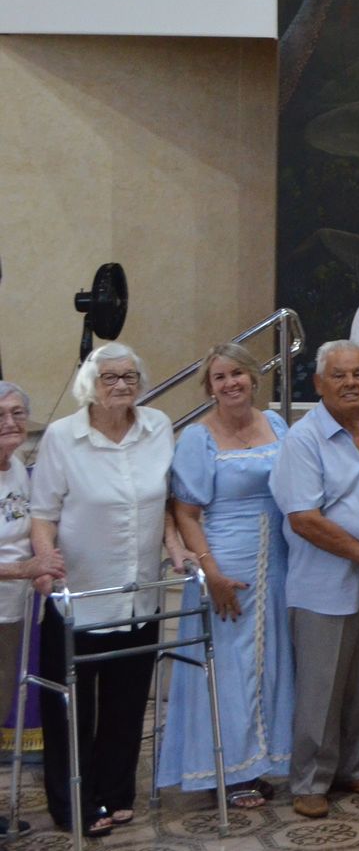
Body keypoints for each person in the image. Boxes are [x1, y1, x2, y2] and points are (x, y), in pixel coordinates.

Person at [29, 345, 178, 836]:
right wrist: (46, 562)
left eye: (130, 376)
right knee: (73, 709)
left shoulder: (157, 427)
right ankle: (73, 801)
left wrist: (176, 547)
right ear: (90, 384)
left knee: (129, 699)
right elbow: (43, 514)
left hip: (139, 593)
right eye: (110, 376)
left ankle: (115, 792)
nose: (121, 385)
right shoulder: (62, 437)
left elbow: (168, 502)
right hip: (79, 596)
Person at [270, 341, 359, 819]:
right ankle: (310, 779)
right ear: (319, 383)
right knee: (321, 687)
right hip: (323, 585)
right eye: (340, 376)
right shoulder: (302, 439)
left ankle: (355, 765)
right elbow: (303, 517)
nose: (351, 383)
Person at [159, 345, 293, 807]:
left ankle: (263, 761)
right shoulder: (198, 438)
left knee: (271, 662)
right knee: (230, 669)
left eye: (237, 373)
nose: (230, 383)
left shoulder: (275, 424)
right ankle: (229, 769)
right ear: (209, 388)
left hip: (275, 560)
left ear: (254, 378)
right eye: (219, 377)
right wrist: (211, 573)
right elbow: (187, 512)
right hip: (225, 562)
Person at [0, 382, 59, 832]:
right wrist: (29, 569)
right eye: (0, 415)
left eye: (18, 413)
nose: (11, 423)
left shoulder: (17, 464)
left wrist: (39, 568)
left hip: (14, 612)